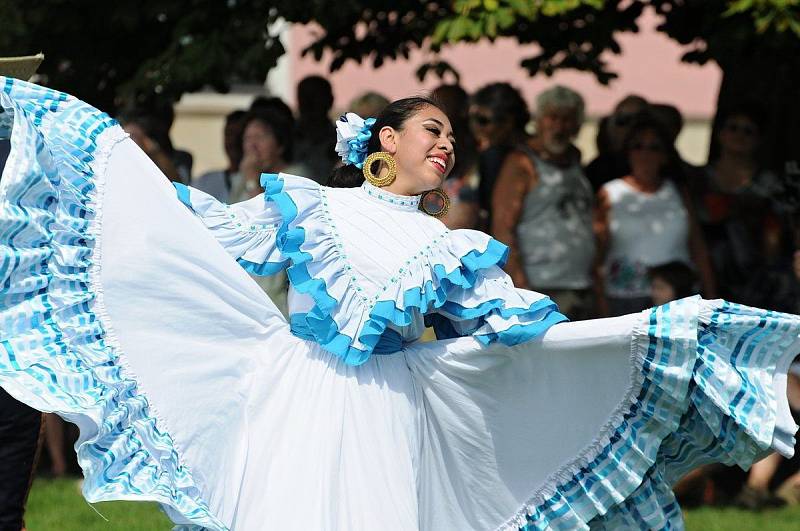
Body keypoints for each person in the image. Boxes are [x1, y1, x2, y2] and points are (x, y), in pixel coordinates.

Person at [1, 77, 799, 531]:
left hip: (392, 407)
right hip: (298, 394)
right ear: (383, 141)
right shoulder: (314, 204)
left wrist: (630, 336)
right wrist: (128, 184)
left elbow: (519, 326)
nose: (445, 143)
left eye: (452, 137)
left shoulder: (451, 245)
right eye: (430, 129)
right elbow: (209, 230)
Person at [593, 114, 716, 316]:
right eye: (638, 146)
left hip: (677, 298)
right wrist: (601, 305)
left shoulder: (677, 192)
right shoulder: (610, 193)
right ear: (628, 153)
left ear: (665, 155)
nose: (645, 153)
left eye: (654, 147)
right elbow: (597, 258)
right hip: (625, 298)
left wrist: (711, 298)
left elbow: (698, 247)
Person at [491, 85, 595, 319]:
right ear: (539, 121)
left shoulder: (575, 160)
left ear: (577, 125)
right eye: (553, 117)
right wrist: (520, 289)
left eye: (567, 119)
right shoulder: (521, 163)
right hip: (540, 287)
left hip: (580, 285)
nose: (559, 126)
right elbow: (503, 228)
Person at [691, 103, 796, 312]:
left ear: (758, 140)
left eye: (748, 131)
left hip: (760, 285)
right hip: (704, 279)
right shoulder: (697, 180)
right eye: (733, 128)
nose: (739, 135)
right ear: (720, 134)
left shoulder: (772, 184)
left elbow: (781, 235)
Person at [469, 82, 530, 231]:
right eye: (471, 118)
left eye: (482, 120)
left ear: (508, 121)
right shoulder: (537, 150)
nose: (474, 126)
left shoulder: (494, 156)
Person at [585, 95, 648, 191]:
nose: (631, 128)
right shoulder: (596, 171)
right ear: (611, 127)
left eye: (639, 121)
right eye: (623, 121)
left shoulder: (663, 167)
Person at [191, 110, 247, 202]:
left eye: (239, 135)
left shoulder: (260, 182)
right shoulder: (204, 182)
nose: (233, 141)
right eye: (229, 134)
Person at [293, 75, 337, 184]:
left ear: (330, 101)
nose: (310, 104)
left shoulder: (342, 139)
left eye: (316, 98)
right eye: (306, 98)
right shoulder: (284, 138)